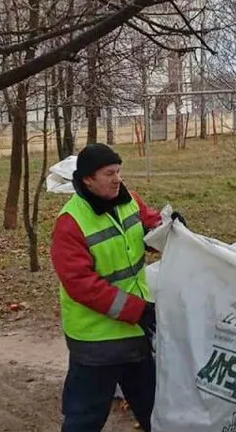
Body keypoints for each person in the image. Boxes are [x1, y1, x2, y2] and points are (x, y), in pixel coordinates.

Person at [50, 143, 183, 431]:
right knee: (86, 416)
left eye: (119, 171)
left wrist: (170, 227)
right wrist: (138, 310)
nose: (117, 178)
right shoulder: (70, 223)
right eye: (109, 173)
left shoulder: (127, 200)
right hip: (97, 341)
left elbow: (148, 225)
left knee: (155, 408)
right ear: (87, 179)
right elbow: (82, 285)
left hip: (134, 331)